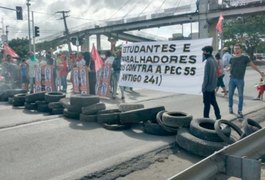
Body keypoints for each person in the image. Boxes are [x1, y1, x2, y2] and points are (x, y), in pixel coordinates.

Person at [228, 43, 264, 118]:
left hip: (240, 80)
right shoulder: (232, 58)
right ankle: (230, 108)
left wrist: (260, 72)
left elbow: (253, 65)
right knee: (230, 95)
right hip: (232, 79)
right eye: (235, 48)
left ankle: (239, 111)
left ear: (241, 49)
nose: (236, 50)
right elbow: (231, 67)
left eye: (237, 48)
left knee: (240, 96)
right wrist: (228, 69)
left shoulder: (245, 58)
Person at [201, 46, 221, 120]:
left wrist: (203, 87)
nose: (203, 53)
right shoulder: (214, 60)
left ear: (208, 52)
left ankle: (206, 119)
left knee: (206, 104)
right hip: (212, 86)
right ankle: (218, 116)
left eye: (204, 51)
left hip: (208, 87)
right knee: (213, 102)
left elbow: (206, 76)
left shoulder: (208, 61)